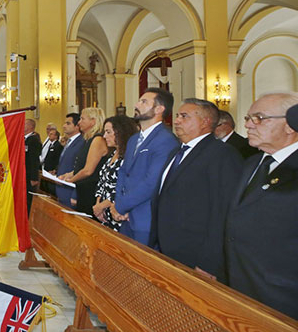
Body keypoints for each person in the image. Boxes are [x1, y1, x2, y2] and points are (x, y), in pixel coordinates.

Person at [152, 99, 242, 282]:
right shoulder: (177, 153)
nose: (176, 121)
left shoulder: (222, 154)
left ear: (205, 122)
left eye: (184, 116)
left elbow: (223, 212)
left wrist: (210, 262)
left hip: (196, 254)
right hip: (168, 248)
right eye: (177, 116)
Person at [226, 93, 298, 320]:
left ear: (290, 125)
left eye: (259, 118)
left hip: (283, 295)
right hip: (240, 283)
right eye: (248, 118)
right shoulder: (252, 163)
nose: (248, 124)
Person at [112, 87, 179, 246]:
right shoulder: (133, 139)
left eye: (144, 102)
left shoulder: (166, 140)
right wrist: (118, 204)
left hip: (145, 217)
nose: (136, 105)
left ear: (159, 109)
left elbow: (152, 182)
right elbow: (123, 172)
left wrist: (121, 206)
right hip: (125, 216)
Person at [59, 108, 109, 215]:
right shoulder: (88, 140)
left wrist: (70, 181)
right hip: (83, 189)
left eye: (82, 119)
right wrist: (68, 174)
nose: (79, 122)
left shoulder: (98, 140)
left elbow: (88, 170)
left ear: (93, 121)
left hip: (91, 190)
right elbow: (81, 166)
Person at [93, 116, 137, 231]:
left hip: (117, 213)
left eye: (108, 132)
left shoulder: (129, 156)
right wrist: (98, 204)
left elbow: (124, 188)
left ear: (121, 132)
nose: (104, 136)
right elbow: (102, 182)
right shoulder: (112, 154)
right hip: (103, 214)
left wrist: (102, 206)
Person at [55, 113, 85, 208]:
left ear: (77, 126)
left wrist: (75, 194)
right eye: (65, 123)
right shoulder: (69, 142)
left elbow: (80, 168)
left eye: (68, 123)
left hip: (70, 190)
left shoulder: (82, 142)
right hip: (62, 188)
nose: (64, 126)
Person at [24, 119, 42, 212]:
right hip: (24, 173)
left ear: (31, 126)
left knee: (29, 197)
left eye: (25, 124)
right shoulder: (25, 139)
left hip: (29, 174)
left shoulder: (33, 140)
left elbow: (34, 160)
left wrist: (34, 178)